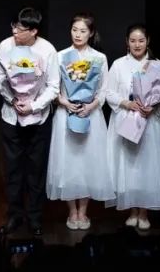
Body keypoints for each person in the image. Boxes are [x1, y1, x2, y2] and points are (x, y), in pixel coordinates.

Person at [45, 13, 115, 230]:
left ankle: (83, 211)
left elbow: (104, 90)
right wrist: (65, 102)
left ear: (91, 33)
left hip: (90, 114)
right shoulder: (60, 56)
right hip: (66, 113)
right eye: (75, 30)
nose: (78, 34)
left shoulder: (99, 58)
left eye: (83, 31)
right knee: (67, 163)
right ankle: (71, 211)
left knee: (87, 163)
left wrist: (91, 106)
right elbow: (53, 88)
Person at [0, 7, 60, 237]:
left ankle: (34, 217)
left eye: (20, 29)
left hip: (39, 117)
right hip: (11, 116)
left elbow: (53, 86)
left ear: (33, 31)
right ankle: (14, 215)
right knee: (13, 169)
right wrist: (13, 99)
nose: (15, 32)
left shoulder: (47, 50)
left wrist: (34, 105)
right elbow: (1, 80)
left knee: (36, 170)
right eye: (13, 27)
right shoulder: (5, 46)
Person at [104, 24, 160, 230]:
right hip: (126, 120)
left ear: (147, 41)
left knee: (147, 167)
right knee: (129, 166)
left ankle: (144, 212)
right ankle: (132, 210)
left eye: (141, 40)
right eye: (133, 40)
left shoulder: (158, 64)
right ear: (127, 42)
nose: (137, 44)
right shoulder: (118, 64)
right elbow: (108, 92)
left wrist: (153, 107)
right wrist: (127, 103)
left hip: (149, 123)